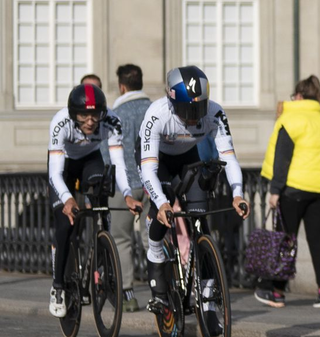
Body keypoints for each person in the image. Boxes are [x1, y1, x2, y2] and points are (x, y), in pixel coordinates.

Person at [140, 66, 249, 323]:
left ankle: (208, 300)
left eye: (198, 111)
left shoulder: (215, 112)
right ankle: (155, 253)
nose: (192, 118)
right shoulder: (157, 115)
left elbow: (229, 157)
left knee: (202, 223)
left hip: (188, 157)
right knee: (161, 209)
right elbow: (148, 170)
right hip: (160, 162)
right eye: (187, 111)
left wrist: (237, 194)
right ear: (171, 101)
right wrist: (163, 203)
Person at [47, 84, 139, 318]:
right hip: (65, 167)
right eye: (83, 115)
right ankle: (58, 286)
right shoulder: (60, 123)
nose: (90, 121)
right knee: (65, 223)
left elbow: (118, 164)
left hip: (90, 160)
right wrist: (67, 199)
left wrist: (127, 193)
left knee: (101, 197)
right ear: (73, 114)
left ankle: (102, 253)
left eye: (95, 115)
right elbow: (55, 174)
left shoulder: (112, 121)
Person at [256, 75, 320, 308]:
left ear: (299, 96)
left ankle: (276, 291)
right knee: (319, 242)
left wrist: (275, 191)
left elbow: (282, 159)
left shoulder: (291, 118)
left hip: (294, 189)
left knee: (285, 240)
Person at [109, 64, 152, 311]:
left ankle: (128, 295)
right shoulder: (153, 109)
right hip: (150, 185)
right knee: (152, 240)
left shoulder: (116, 113)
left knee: (121, 240)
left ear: (122, 86)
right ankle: (162, 289)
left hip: (122, 186)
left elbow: (108, 153)